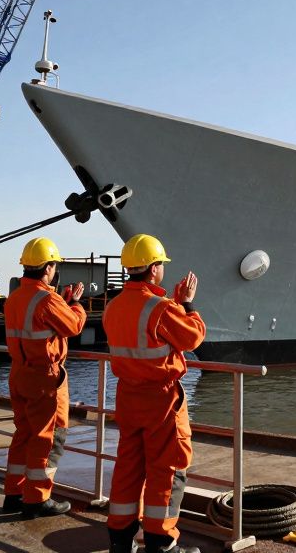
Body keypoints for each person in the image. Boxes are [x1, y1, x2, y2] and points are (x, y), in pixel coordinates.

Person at [105, 234, 205, 553]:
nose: (162, 268)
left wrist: (173, 305)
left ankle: (120, 538)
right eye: (161, 264)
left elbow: (146, 336)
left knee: (129, 467)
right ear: (153, 269)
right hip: (160, 400)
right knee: (168, 467)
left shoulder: (114, 306)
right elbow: (191, 338)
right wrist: (187, 303)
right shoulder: (159, 307)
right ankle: (161, 541)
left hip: (128, 396)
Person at [2, 236, 86, 518]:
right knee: (48, 437)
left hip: (19, 373)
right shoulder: (47, 299)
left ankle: (14, 493)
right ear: (48, 267)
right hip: (44, 377)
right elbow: (73, 326)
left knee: (24, 433)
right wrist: (75, 303)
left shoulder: (15, 297)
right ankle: (37, 498)